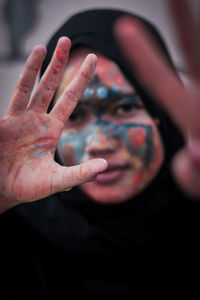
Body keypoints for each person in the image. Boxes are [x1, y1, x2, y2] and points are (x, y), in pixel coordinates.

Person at [0, 3, 200, 299]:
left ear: (164, 116)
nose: (101, 143)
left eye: (126, 108)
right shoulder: (13, 227)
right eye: (73, 117)